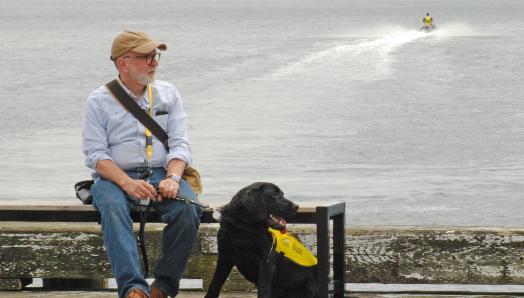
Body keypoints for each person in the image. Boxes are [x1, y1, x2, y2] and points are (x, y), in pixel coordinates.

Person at [82, 31, 202, 298]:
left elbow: (180, 144)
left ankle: (163, 288)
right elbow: (96, 155)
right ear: (124, 63)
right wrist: (127, 183)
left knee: (187, 210)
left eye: (155, 56)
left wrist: (172, 178)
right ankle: (133, 289)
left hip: (161, 172)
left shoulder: (168, 93)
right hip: (115, 176)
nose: (154, 62)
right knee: (112, 207)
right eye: (146, 57)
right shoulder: (98, 101)